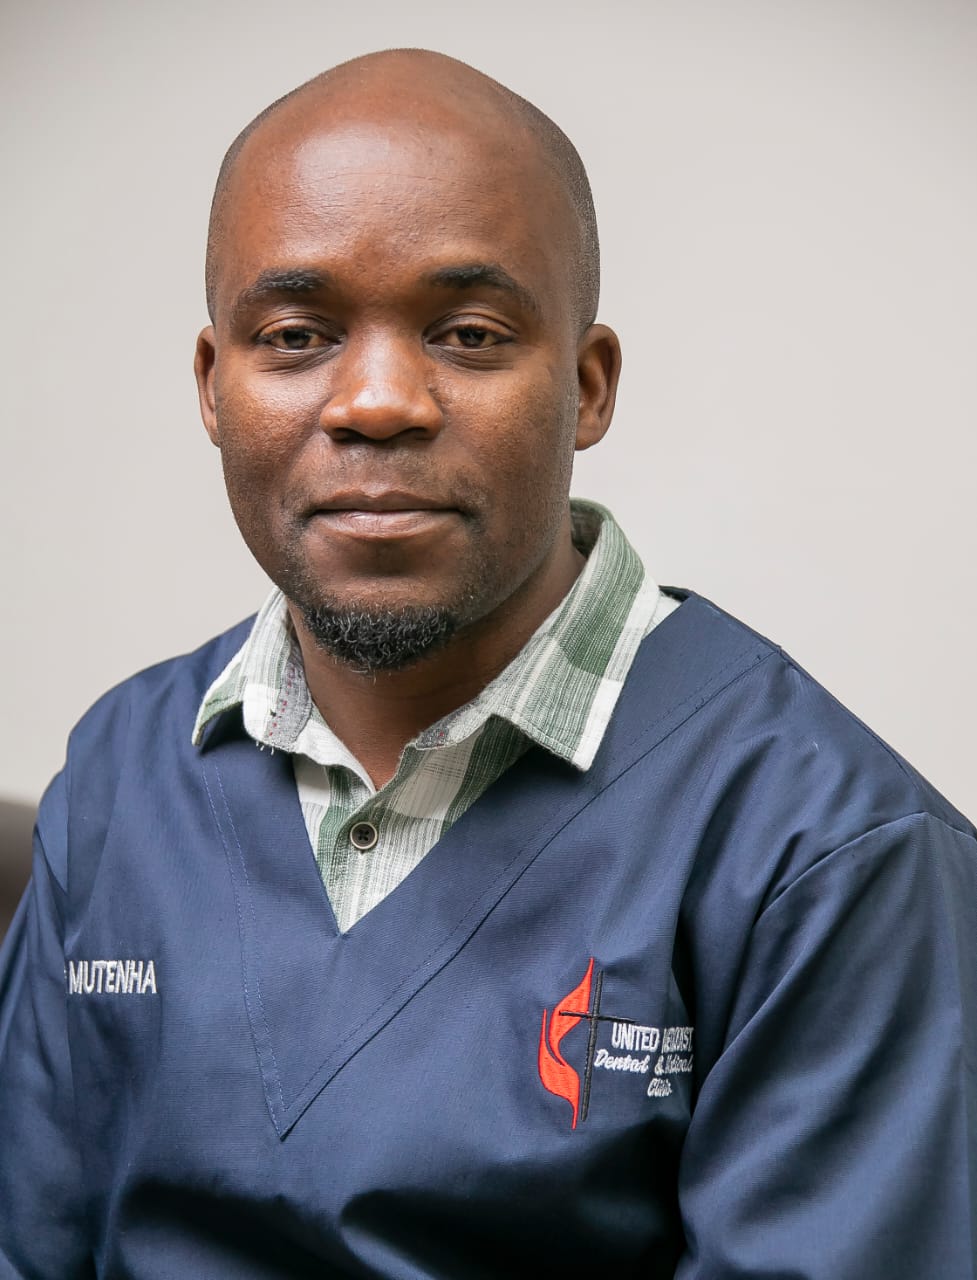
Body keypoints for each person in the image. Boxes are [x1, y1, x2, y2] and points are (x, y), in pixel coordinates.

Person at [0, 48, 974, 1280]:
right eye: (295, 335)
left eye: (466, 334)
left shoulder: (827, 852)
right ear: (213, 385)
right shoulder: (119, 779)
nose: (376, 401)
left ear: (585, 385)